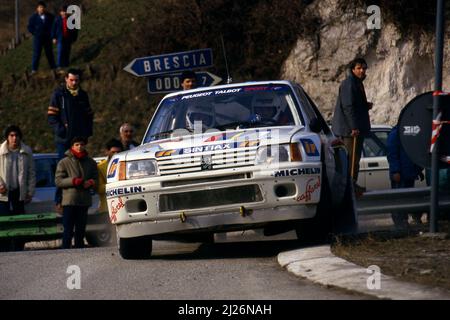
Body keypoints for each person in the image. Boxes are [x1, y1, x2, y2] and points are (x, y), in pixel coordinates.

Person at [48, 68, 94, 212]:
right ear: (66, 79)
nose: (74, 82)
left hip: (79, 140)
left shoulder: (83, 95)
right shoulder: (59, 94)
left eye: (76, 80)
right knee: (63, 170)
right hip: (64, 140)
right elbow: (51, 116)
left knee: (82, 170)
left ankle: (81, 198)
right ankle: (59, 201)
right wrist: (62, 130)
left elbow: (89, 115)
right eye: (71, 79)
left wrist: (87, 133)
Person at [331, 58, 373, 195]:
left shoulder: (357, 83)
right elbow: (348, 106)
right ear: (353, 69)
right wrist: (354, 127)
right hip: (349, 130)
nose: (362, 70)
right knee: (350, 160)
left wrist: (365, 105)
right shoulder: (349, 83)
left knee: (354, 160)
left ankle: (352, 184)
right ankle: (348, 187)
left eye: (364, 68)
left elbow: (354, 104)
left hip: (354, 128)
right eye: (359, 68)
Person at [55, 136, 98, 249]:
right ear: (72, 146)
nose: (80, 147)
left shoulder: (91, 162)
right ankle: (65, 251)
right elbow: (58, 181)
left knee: (81, 230)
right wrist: (73, 181)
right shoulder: (64, 162)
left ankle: (79, 253)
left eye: (82, 144)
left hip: (84, 201)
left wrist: (91, 182)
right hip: (69, 201)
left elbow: (96, 178)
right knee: (68, 230)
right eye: (77, 144)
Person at [387, 125, 424, 229]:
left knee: (407, 199)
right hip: (400, 174)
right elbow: (392, 153)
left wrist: (418, 170)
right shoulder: (396, 133)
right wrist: (395, 171)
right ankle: (399, 222)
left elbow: (414, 153)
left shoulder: (407, 133)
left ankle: (404, 222)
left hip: (408, 173)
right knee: (399, 199)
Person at [0, 125, 36, 216]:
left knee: (20, 220)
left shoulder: (27, 151)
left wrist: (30, 192)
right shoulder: (0, 151)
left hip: (19, 192)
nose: (14, 138)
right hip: (3, 192)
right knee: (4, 221)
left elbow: (31, 173)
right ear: (7, 137)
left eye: (16, 135)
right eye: (11, 135)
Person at [27, 1, 56, 74]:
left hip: (47, 38)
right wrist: (35, 33)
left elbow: (54, 26)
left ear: (45, 8)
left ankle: (53, 67)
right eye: (40, 7)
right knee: (36, 54)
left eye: (43, 7)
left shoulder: (50, 16)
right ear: (37, 8)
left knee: (49, 53)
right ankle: (34, 69)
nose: (41, 9)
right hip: (38, 38)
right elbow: (29, 27)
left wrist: (53, 35)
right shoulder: (33, 17)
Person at [97, 138, 123, 214]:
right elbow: (99, 188)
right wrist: (115, 186)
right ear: (107, 152)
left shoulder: (127, 164)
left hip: (124, 205)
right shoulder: (100, 167)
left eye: (118, 152)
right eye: (113, 152)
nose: (115, 154)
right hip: (107, 208)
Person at [52, 5, 78, 69]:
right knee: (60, 51)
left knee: (67, 51)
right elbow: (53, 29)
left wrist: (74, 38)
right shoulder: (57, 20)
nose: (64, 13)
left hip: (68, 38)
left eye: (65, 12)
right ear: (60, 13)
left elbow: (75, 30)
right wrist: (53, 37)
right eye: (62, 12)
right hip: (60, 38)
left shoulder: (71, 20)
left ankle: (66, 64)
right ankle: (59, 65)